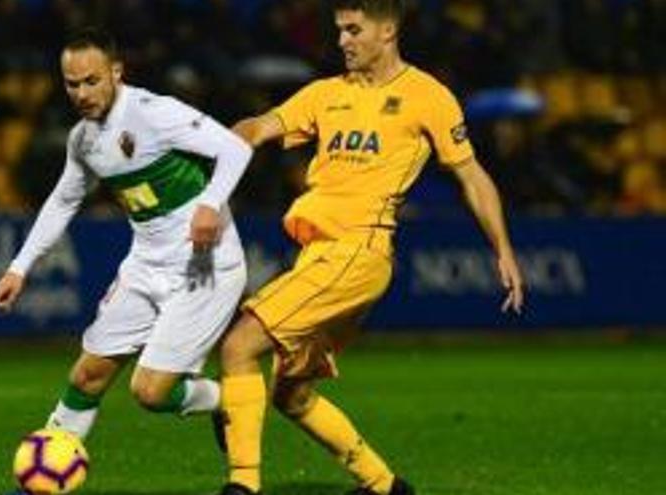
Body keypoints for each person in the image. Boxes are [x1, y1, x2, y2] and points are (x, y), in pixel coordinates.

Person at [214, 1, 525, 494]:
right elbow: (262, 124)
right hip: (318, 255)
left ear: (388, 30)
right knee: (291, 395)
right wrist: (231, 140)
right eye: (339, 30)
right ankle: (385, 486)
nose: (342, 41)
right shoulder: (325, 94)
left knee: (238, 347)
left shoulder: (428, 96)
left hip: (358, 251)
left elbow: (471, 174)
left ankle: (242, 486)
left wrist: (503, 250)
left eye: (354, 30)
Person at [0, 29, 252, 441]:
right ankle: (40, 483)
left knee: (150, 392)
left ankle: (233, 402)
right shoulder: (83, 139)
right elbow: (62, 201)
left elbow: (236, 148)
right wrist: (18, 268)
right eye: (72, 84)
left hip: (204, 266)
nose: (81, 93)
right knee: (87, 376)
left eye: (91, 81)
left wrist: (211, 202)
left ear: (116, 72)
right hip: (146, 264)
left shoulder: (154, 112)